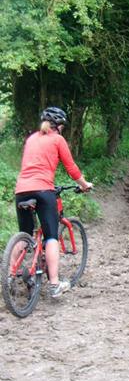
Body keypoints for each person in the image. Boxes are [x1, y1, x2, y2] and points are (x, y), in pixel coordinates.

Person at [14, 106, 93, 298]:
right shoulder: (57, 139)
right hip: (43, 190)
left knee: (24, 236)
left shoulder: (31, 138)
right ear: (59, 126)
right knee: (51, 237)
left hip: (21, 190)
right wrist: (84, 185)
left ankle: (8, 275)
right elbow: (71, 168)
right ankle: (54, 284)